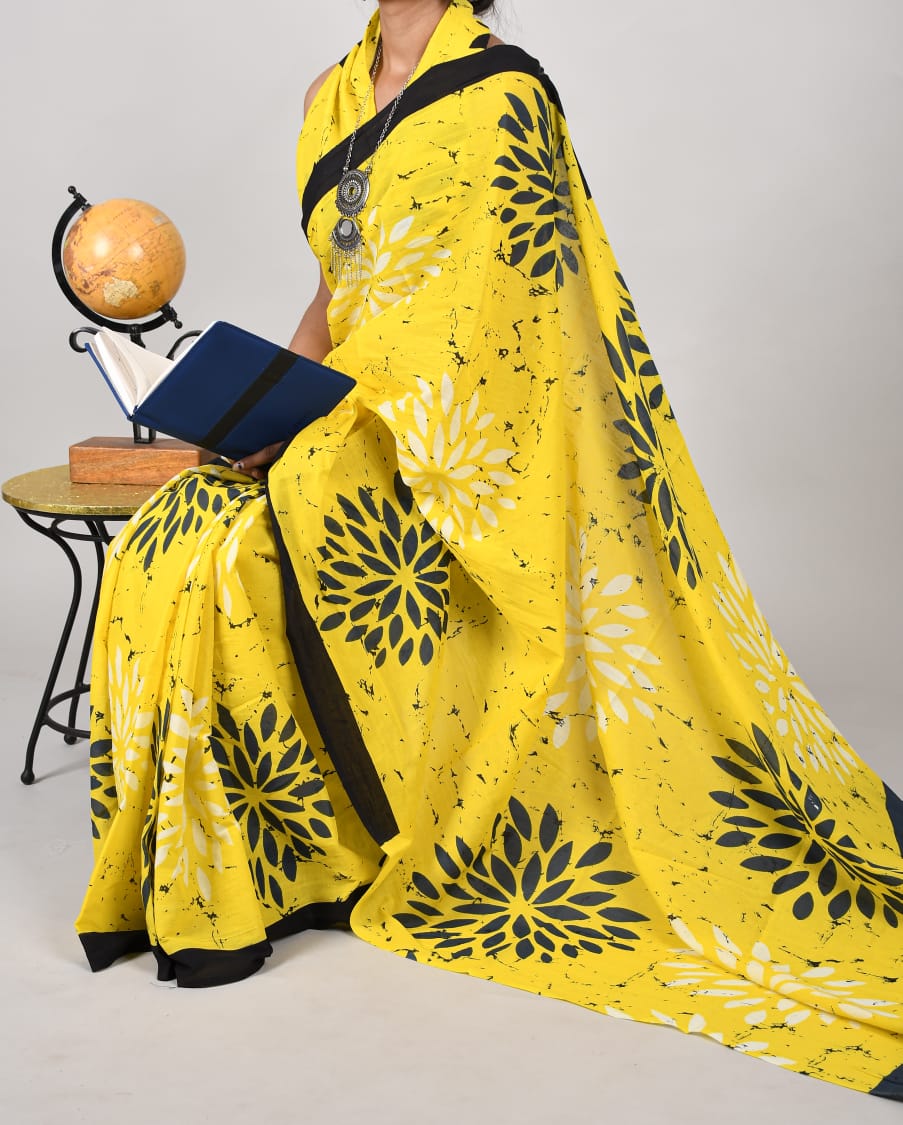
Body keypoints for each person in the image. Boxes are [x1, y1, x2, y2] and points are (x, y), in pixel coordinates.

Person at [76, 0, 903, 1100]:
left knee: (273, 520)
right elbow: (338, 290)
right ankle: (258, 863)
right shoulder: (327, 97)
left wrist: (343, 423)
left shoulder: (504, 90)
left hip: (455, 442)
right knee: (179, 531)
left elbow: (507, 316)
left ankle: (321, 850)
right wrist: (261, 402)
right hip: (343, 410)